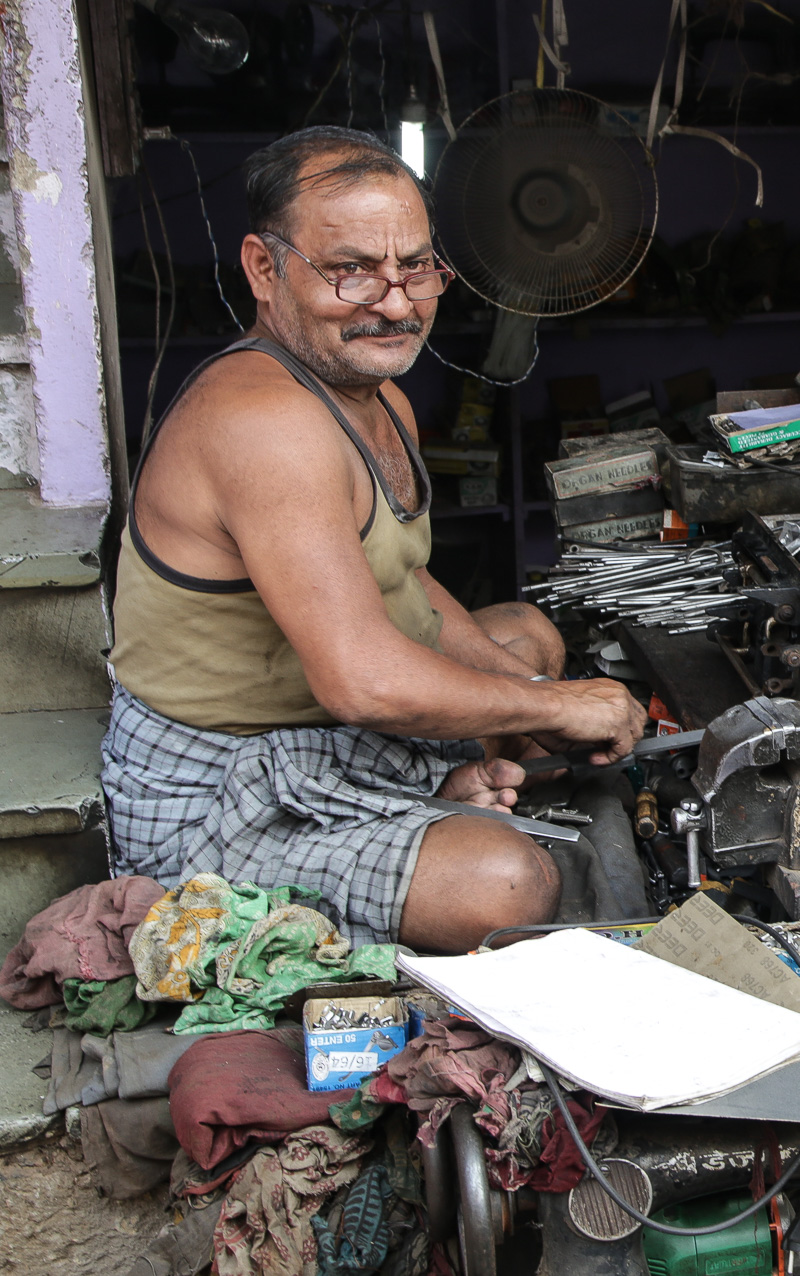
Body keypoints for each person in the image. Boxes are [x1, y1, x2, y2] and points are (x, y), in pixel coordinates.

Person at [102, 127, 648, 953]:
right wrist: (555, 704)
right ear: (263, 269)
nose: (396, 304)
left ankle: (441, 798)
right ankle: (440, 816)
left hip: (316, 724)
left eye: (416, 268)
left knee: (525, 638)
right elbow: (361, 681)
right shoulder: (264, 421)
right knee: (503, 882)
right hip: (224, 785)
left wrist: (534, 691)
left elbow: (407, 582)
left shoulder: (372, 392)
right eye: (351, 270)